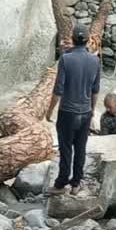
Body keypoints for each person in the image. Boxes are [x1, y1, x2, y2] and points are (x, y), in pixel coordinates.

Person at [45, 24, 101, 195]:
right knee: (80, 149)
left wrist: (49, 112)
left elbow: (58, 90)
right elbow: (95, 90)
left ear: (73, 39)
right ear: (87, 41)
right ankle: (76, 184)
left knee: (66, 148)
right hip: (85, 113)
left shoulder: (65, 59)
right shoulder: (95, 60)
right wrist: (91, 111)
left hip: (67, 113)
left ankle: (61, 184)